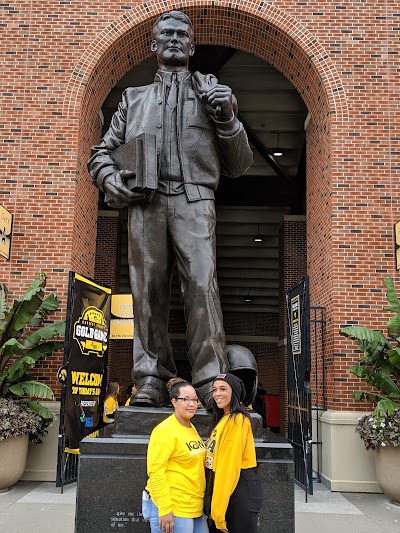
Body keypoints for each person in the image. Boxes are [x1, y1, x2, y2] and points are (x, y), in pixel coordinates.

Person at [88, 11, 253, 409]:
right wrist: (109, 177)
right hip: (145, 204)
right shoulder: (133, 99)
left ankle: (213, 382)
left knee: (202, 286)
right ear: (154, 46)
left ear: (193, 46)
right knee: (148, 292)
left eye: (183, 35)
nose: (175, 40)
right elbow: (101, 154)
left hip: (195, 201)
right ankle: (150, 378)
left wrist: (228, 118)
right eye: (167, 35)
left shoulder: (212, 97)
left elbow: (241, 163)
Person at [145, 378, 209, 533]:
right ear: (174, 402)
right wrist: (165, 509)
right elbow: (156, 471)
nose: (192, 404)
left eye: (194, 400)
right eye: (185, 399)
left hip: (194, 506)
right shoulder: (165, 430)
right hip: (174, 508)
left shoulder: (190, 427)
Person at [205, 373, 262, 533]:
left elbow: (228, 468)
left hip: (238, 490)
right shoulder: (223, 419)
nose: (217, 394)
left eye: (223, 389)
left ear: (234, 393)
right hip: (228, 492)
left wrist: (218, 512)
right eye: (215, 389)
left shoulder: (237, 421)